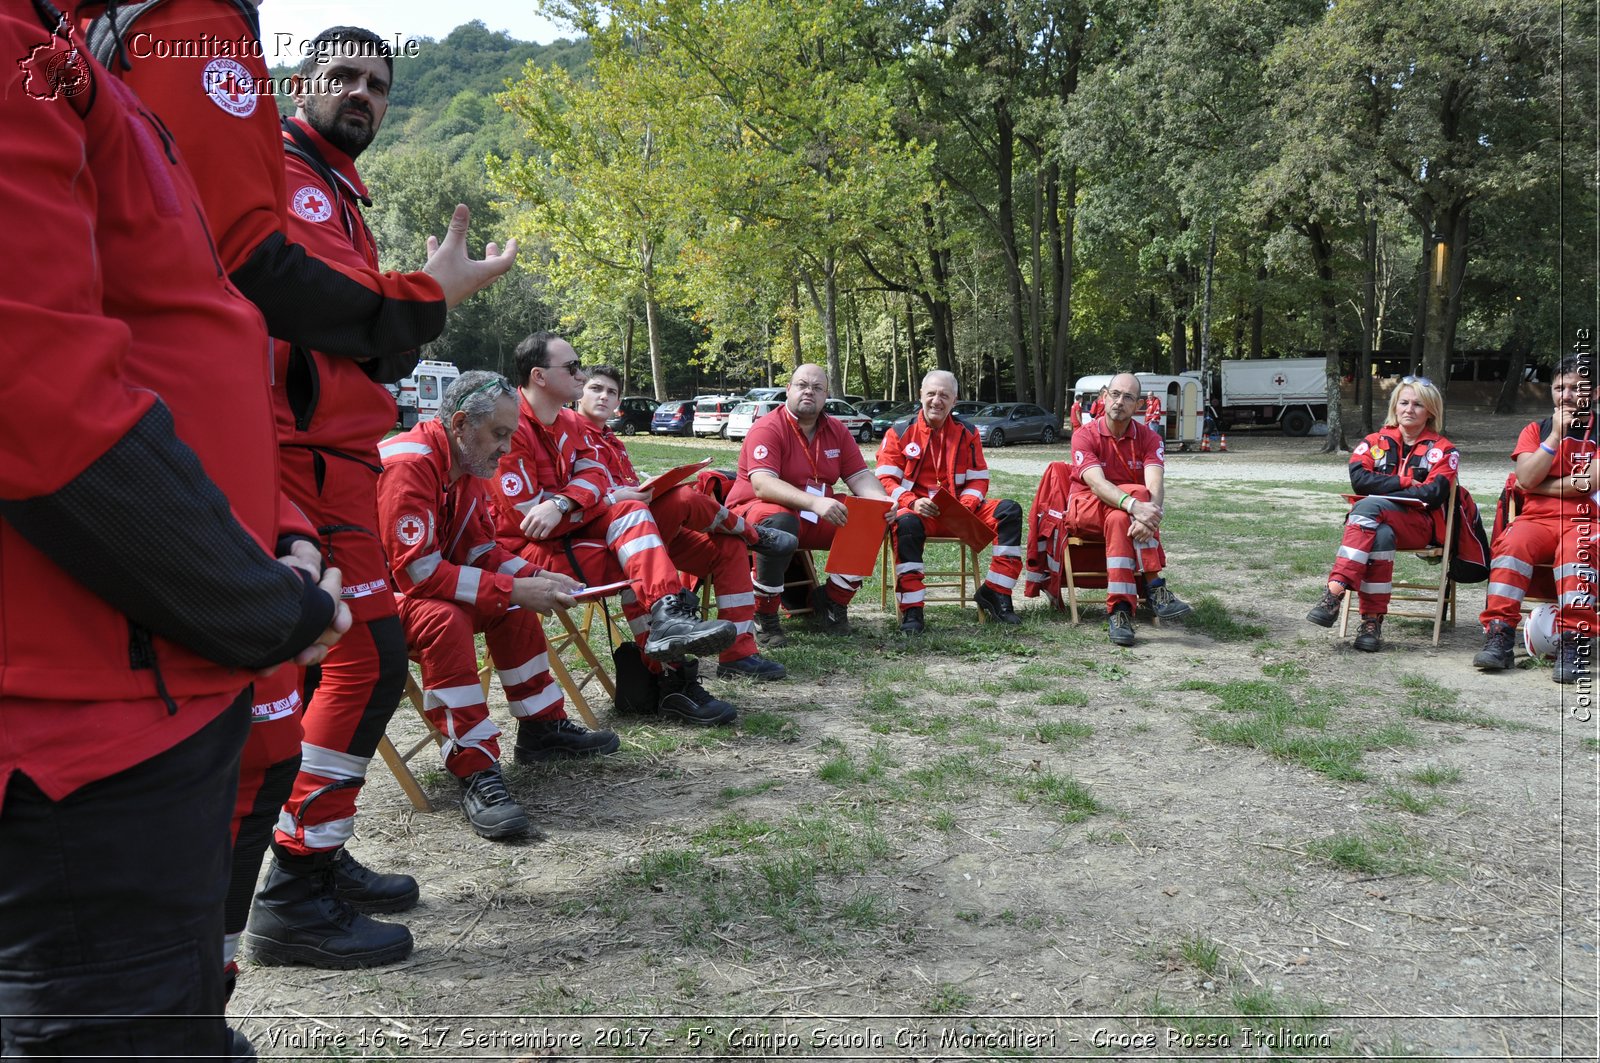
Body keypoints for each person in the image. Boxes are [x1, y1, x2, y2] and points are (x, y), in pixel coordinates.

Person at [1, 7, 344, 1055]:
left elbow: (192, 340)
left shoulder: (66, 58)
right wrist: (260, 605)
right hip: (87, 717)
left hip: (148, 675)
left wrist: (281, 531)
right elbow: (34, 394)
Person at [249, 27, 489, 974]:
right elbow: (324, 310)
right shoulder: (287, 171)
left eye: (377, 85)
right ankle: (294, 889)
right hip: (295, 454)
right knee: (364, 660)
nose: (362, 95)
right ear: (301, 83)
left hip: (337, 453)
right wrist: (428, 292)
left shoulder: (345, 193)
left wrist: (414, 305)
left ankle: (314, 851)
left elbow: (379, 346)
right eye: (342, 77)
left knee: (349, 666)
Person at [377, 373, 619, 842]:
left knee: (513, 608)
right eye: (500, 434)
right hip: (372, 599)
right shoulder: (411, 465)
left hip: (412, 589)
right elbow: (417, 574)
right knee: (447, 618)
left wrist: (532, 578)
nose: (507, 448)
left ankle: (542, 728)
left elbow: (480, 552)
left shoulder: (465, 463)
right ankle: (474, 768)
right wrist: (510, 589)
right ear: (462, 423)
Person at [489, 334, 741, 724]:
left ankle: (667, 631)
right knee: (636, 560)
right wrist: (591, 501)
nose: (580, 373)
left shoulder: (570, 421)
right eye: (572, 368)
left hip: (573, 532)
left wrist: (565, 502)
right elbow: (531, 520)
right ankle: (672, 680)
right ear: (538, 376)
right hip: (526, 554)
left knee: (633, 532)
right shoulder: (511, 427)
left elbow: (593, 473)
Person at [574, 364, 793, 679]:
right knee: (683, 498)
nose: (604, 396)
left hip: (646, 530)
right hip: (610, 537)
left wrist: (641, 490)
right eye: (596, 388)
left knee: (728, 546)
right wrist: (620, 496)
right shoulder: (570, 433)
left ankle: (739, 655)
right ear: (578, 391)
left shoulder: (613, 440)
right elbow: (577, 496)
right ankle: (754, 534)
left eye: (612, 392)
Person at [725, 363, 894, 642]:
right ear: (788, 390)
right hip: (758, 510)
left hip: (811, 514)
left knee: (871, 516)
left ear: (826, 395)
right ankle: (764, 616)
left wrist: (882, 501)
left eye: (817, 388)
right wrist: (815, 504)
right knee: (780, 520)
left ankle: (832, 601)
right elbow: (762, 484)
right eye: (802, 385)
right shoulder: (767, 427)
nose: (809, 392)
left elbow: (860, 476)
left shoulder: (836, 429)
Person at [1305, 377, 1458, 652]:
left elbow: (1432, 495)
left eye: (1418, 404)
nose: (1409, 409)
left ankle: (1335, 589)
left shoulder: (1444, 450)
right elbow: (1359, 480)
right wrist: (1404, 483)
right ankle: (1371, 624)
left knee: (1366, 507)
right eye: (1404, 402)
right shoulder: (1375, 441)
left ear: (1431, 411)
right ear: (1395, 406)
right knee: (1380, 534)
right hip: (1376, 526)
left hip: (1420, 526)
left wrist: (1383, 490)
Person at [1474, 354, 1597, 683]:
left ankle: (1573, 643)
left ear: (1596, 393)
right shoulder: (1536, 430)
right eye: (1559, 388)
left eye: (1576, 388)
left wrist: (1541, 485)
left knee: (1577, 550)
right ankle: (1499, 636)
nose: (1566, 395)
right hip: (1536, 521)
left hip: (1586, 521)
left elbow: (1588, 483)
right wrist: (1555, 437)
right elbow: (1525, 478)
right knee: (1513, 542)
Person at [876, 370, 1025, 632]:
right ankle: (912, 610)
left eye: (944, 395)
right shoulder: (899, 431)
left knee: (1009, 511)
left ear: (954, 401)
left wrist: (965, 506)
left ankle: (996, 591)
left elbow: (979, 479)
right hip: (917, 514)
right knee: (907, 524)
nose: (936, 400)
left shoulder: (967, 432)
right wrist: (911, 502)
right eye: (931, 393)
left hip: (958, 512)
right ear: (920, 395)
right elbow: (886, 480)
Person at [1062, 372, 1195, 645]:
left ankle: (1119, 611)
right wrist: (1139, 506)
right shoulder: (1084, 435)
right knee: (1138, 493)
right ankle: (1155, 586)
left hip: (1125, 515)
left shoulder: (1150, 438)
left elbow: (1156, 483)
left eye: (1128, 397)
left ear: (1138, 406)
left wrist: (1149, 516)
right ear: (1104, 397)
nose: (1119, 402)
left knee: (1122, 519)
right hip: (1086, 506)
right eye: (1115, 394)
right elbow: (1097, 484)